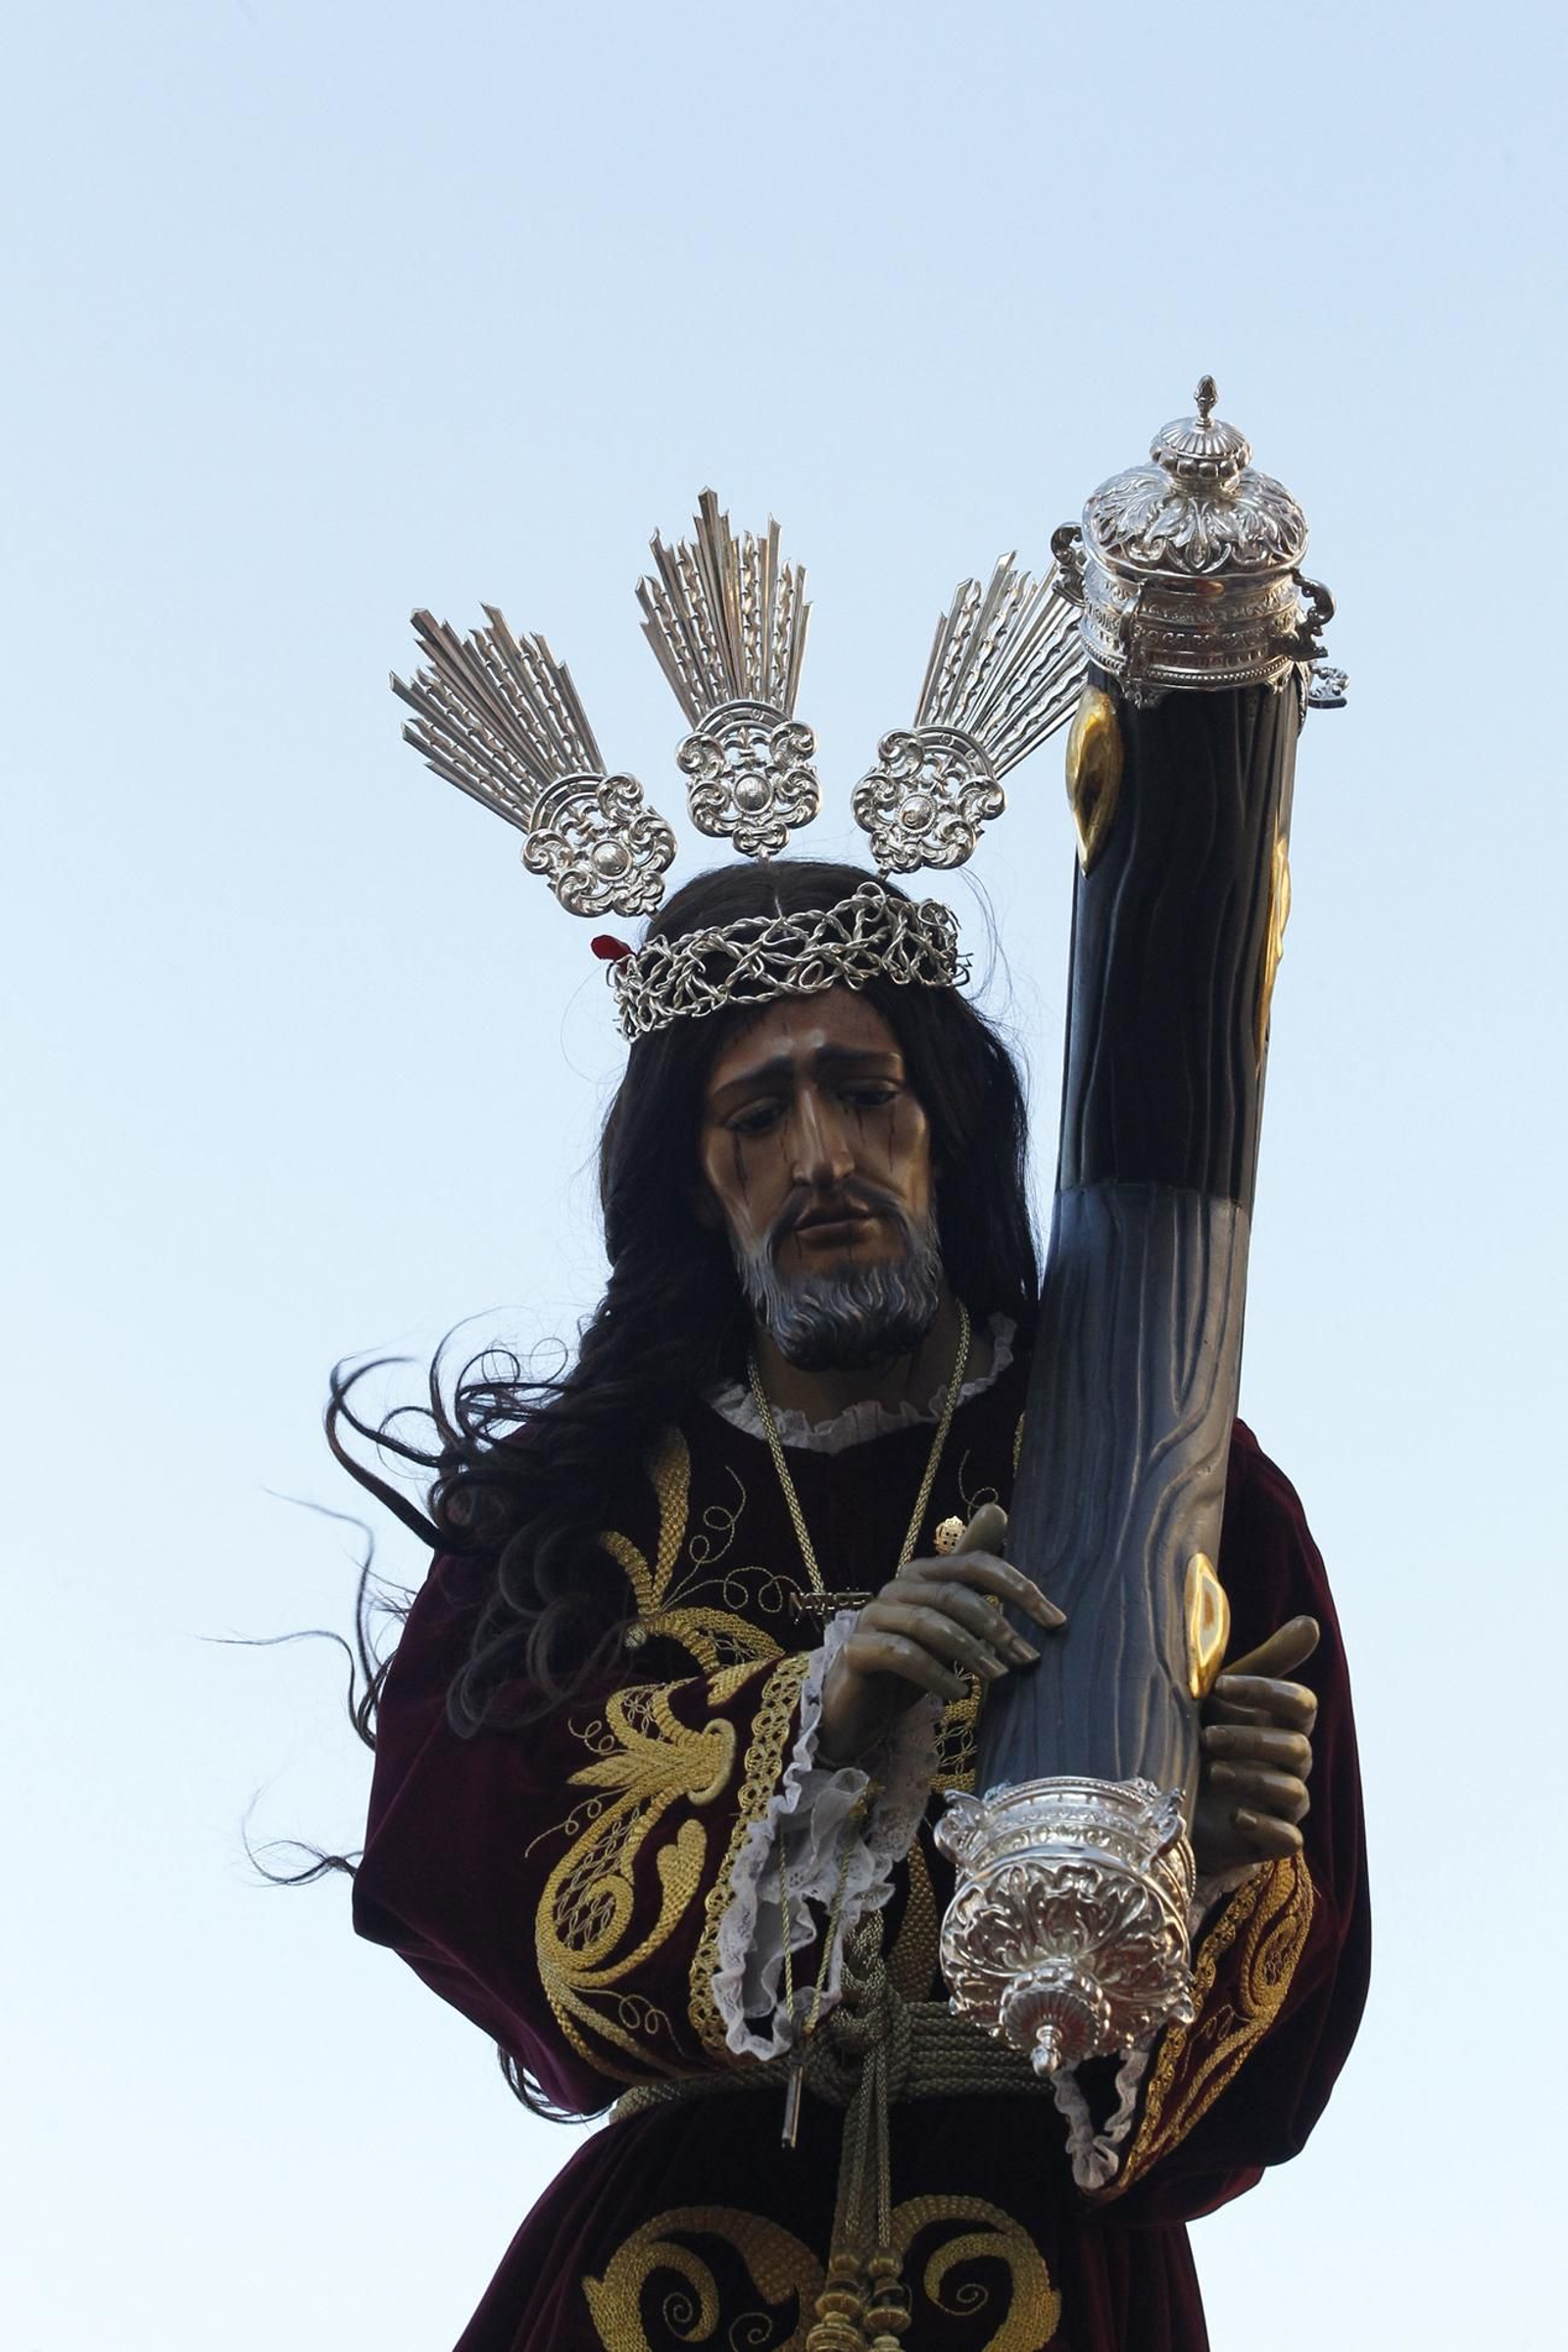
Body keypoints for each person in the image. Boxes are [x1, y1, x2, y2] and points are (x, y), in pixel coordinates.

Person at [338, 856, 1369, 2352]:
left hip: (1044, 2268)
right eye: (759, 1113)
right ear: (700, 1174)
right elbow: (450, 1848)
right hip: (670, 2266)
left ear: (944, 1128)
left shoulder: (1160, 1472)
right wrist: (814, 1728)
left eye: (865, 1092)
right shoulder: (582, 1510)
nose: (824, 1153)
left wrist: (1200, 1889)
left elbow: (1288, 2024)